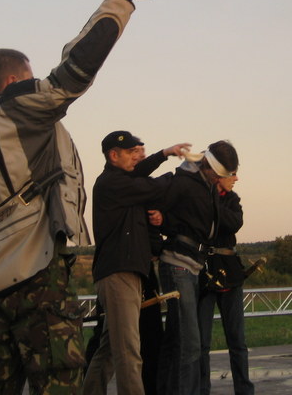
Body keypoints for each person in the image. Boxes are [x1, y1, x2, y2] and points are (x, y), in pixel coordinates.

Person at [0, 0, 147, 395]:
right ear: (13, 82)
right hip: (36, 278)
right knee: (58, 381)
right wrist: (121, 0)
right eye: (27, 77)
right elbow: (72, 75)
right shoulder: (15, 107)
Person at [84, 131, 188, 395]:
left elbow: (140, 172)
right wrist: (185, 172)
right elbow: (151, 186)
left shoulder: (119, 179)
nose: (136, 158)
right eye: (131, 153)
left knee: (108, 348)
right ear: (114, 155)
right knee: (129, 352)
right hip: (119, 275)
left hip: (124, 273)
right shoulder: (112, 183)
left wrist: (165, 154)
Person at [157, 140, 240, 395]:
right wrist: (161, 222)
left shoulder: (207, 187)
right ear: (211, 168)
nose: (222, 179)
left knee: (176, 341)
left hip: (192, 265)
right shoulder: (182, 182)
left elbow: (227, 222)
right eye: (221, 174)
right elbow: (158, 205)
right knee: (191, 344)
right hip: (177, 264)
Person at [197, 169, 254, 395]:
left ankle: (244, 390)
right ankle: (202, 390)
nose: (237, 178)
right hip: (205, 273)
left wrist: (212, 207)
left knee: (237, 340)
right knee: (201, 343)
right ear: (218, 174)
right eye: (231, 173)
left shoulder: (233, 199)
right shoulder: (199, 196)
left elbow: (234, 223)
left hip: (230, 274)